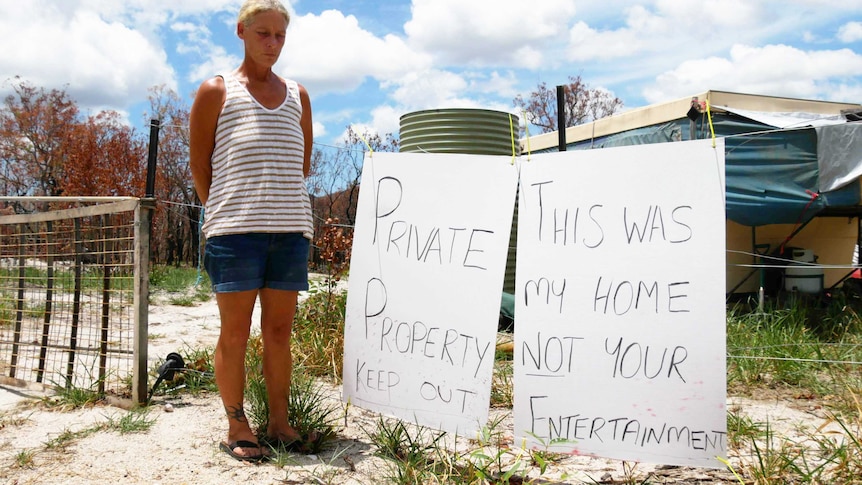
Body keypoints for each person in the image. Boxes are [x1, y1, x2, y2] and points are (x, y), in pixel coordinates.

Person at [189, 0, 313, 462]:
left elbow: (300, 165)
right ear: (241, 32)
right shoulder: (216, 91)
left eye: (279, 36)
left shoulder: (298, 95)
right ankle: (237, 424)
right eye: (263, 34)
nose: (272, 44)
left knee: (279, 331)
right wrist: (223, 210)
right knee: (235, 332)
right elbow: (200, 163)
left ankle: (279, 422)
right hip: (233, 233)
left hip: (290, 232)